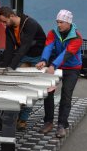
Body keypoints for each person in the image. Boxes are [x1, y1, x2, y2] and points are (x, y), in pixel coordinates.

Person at [0, 6, 46, 130]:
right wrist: (4, 69)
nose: (3, 24)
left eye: (4, 21)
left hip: (37, 57)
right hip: (24, 55)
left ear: (12, 16)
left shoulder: (30, 24)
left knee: (31, 88)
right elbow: (8, 51)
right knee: (18, 85)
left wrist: (12, 67)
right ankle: (12, 118)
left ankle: (23, 119)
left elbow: (23, 47)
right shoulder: (9, 29)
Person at [36, 9, 83, 138]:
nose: (59, 25)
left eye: (61, 22)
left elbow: (66, 53)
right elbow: (48, 47)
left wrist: (53, 65)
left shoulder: (77, 37)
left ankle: (62, 125)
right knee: (48, 92)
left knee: (66, 95)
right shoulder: (52, 33)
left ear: (68, 22)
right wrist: (44, 61)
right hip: (55, 66)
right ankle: (48, 122)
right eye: (57, 22)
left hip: (72, 68)